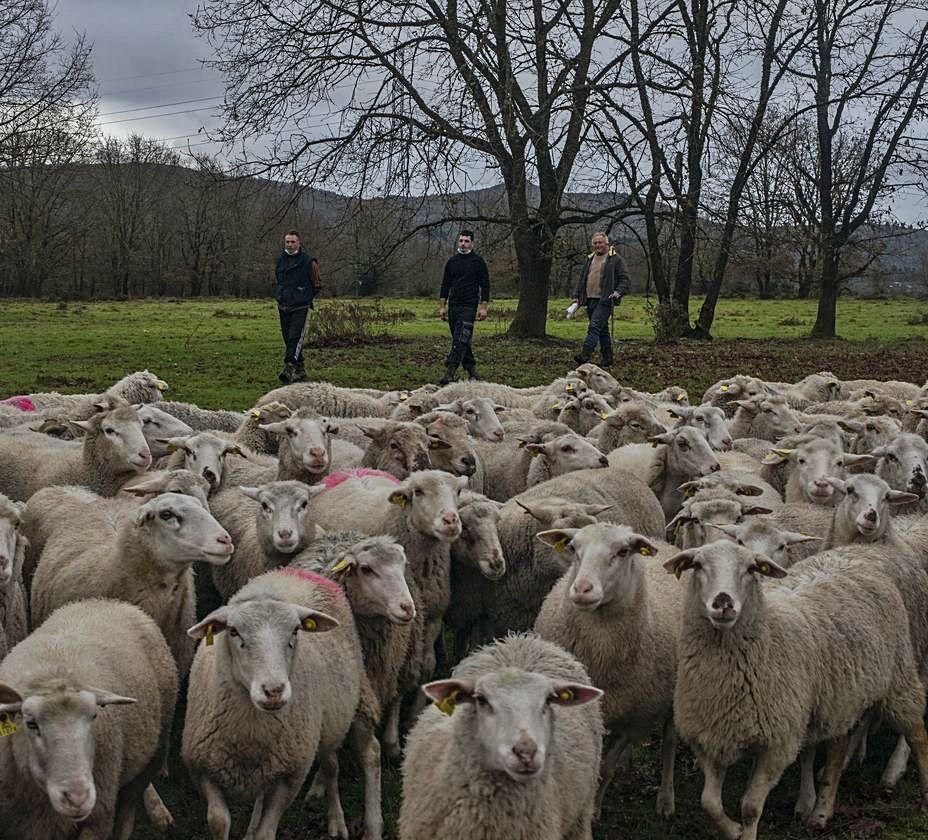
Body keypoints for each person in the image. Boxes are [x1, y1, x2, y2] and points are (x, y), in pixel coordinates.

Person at [570, 231, 630, 367]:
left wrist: (618, 292)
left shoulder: (615, 259)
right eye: (595, 243)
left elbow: (625, 279)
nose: (597, 245)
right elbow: (582, 280)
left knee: (594, 326)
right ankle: (607, 358)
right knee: (602, 330)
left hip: (605, 300)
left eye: (600, 242)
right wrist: (576, 297)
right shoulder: (589, 259)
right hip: (590, 299)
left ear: (607, 243)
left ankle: (585, 355)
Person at [438, 229, 490, 385]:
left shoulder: (478, 262)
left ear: (472, 243)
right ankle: (472, 370)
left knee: (461, 337)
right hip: (454, 306)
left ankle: (450, 371)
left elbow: (485, 286)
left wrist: (483, 307)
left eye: (467, 241)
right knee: (461, 339)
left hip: (469, 306)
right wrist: (442, 306)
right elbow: (445, 285)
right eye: (461, 240)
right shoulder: (452, 262)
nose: (463, 244)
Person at [274, 230, 321, 384]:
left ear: (299, 243)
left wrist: (305, 297)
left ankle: (289, 367)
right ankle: (300, 368)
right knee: (288, 338)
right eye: (287, 242)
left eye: (293, 242)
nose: (290, 244)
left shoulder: (308, 261)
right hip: (283, 305)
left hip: (300, 306)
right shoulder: (280, 260)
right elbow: (279, 280)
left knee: (295, 336)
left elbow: (317, 284)